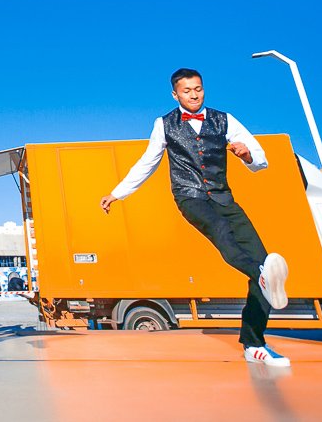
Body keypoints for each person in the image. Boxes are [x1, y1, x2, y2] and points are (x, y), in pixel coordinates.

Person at [100, 68, 290, 367]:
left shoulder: (224, 119)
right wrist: (118, 193)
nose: (194, 95)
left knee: (262, 260)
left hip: (223, 197)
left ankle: (254, 344)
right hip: (190, 197)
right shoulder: (164, 124)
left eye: (198, 89)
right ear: (175, 94)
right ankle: (263, 275)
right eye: (187, 90)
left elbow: (259, 158)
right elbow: (147, 162)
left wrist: (247, 155)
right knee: (221, 231)